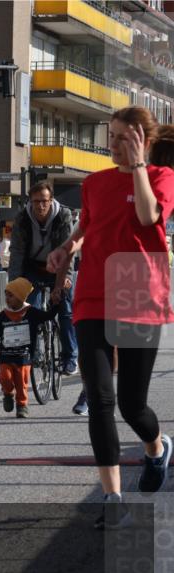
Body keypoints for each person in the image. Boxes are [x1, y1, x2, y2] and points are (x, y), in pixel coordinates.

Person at [46, 105, 174, 529]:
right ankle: (113, 496)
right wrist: (68, 248)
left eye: (122, 137)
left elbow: (146, 216)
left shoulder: (160, 178)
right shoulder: (95, 183)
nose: (113, 144)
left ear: (143, 141)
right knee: (100, 397)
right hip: (94, 295)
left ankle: (156, 448)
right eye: (112, 135)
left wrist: (139, 165)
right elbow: (87, 227)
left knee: (132, 405)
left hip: (139, 293)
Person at [8, 181, 78, 375]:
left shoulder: (63, 215)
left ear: (51, 200)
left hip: (59, 267)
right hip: (33, 267)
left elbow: (69, 251)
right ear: (30, 201)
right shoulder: (22, 218)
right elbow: (17, 252)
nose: (40, 206)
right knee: (30, 309)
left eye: (44, 201)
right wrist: (14, 284)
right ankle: (35, 353)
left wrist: (66, 278)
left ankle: (70, 358)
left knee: (66, 311)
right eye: (36, 201)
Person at [0, 277, 61, 419]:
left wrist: (56, 303)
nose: (7, 299)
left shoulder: (31, 312)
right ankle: (8, 393)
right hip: (6, 355)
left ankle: (22, 406)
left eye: (11, 295)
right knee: (5, 377)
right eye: (6, 295)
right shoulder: (3, 315)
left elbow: (48, 316)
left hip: (24, 356)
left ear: (21, 296)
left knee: (22, 382)